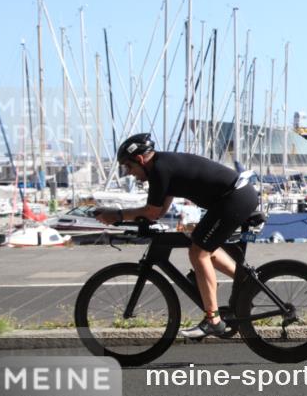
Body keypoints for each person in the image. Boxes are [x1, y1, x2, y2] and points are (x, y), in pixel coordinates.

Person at [94, 133, 259, 339]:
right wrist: (124, 218)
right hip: (234, 197)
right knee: (199, 242)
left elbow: (152, 212)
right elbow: (160, 211)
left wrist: (117, 215)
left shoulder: (160, 170)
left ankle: (213, 320)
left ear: (140, 160)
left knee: (198, 252)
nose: (129, 173)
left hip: (235, 198)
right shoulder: (164, 166)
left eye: (129, 167)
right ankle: (243, 281)